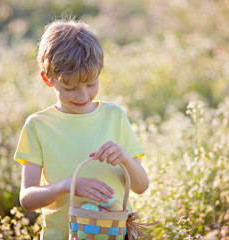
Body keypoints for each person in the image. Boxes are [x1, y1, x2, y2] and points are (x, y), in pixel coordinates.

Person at [13, 19, 149, 239]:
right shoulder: (38, 126)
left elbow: (141, 186)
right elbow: (28, 199)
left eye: (91, 84)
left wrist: (125, 157)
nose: (83, 96)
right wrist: (68, 185)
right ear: (48, 79)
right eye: (70, 87)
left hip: (114, 233)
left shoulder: (114, 116)